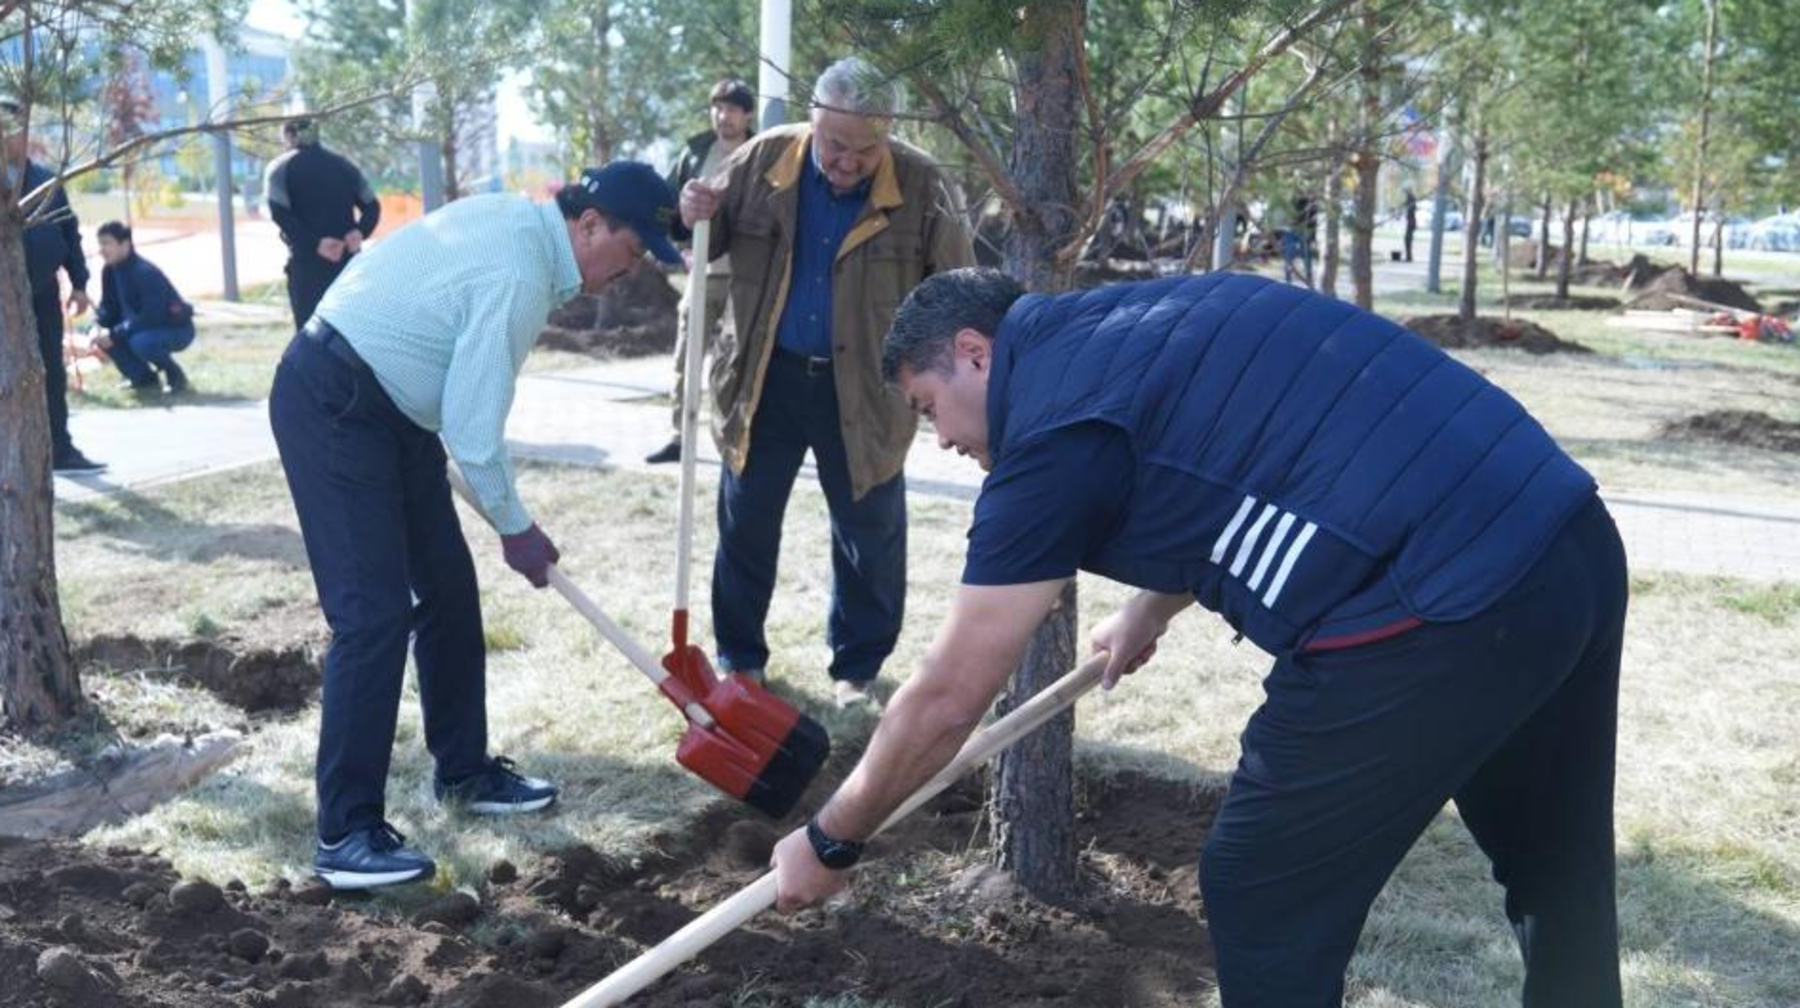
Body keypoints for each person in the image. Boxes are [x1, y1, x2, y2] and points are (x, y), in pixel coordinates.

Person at [771, 268, 1628, 1008]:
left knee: (1263, 884)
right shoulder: (1136, 319)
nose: (944, 440)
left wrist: (833, 838)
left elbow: (951, 695)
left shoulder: (1048, 440)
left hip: (1440, 604)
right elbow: (1242, 447)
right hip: (1564, 536)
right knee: (1554, 862)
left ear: (975, 353)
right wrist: (1151, 607)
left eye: (929, 408)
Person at [269, 161, 682, 890]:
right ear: (589, 225)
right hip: (336, 402)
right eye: (631, 248)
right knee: (372, 615)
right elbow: (473, 427)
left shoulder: (524, 232)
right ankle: (346, 834)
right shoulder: (521, 271)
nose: (633, 268)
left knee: (449, 592)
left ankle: (464, 773)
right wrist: (516, 528)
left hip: (393, 412)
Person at [677, 57, 975, 708]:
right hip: (764, 379)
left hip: (866, 390)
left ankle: (856, 672)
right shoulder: (762, 159)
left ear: (888, 132)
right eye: (835, 143)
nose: (847, 161)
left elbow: (957, 290)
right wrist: (691, 207)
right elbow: (707, 231)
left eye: (866, 149)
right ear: (813, 120)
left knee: (870, 533)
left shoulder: (923, 183)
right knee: (746, 524)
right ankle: (741, 662)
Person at [646, 78, 756, 465]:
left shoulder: (762, 153)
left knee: (737, 364)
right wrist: (680, 249)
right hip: (702, 276)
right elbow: (667, 206)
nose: (723, 116)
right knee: (686, 357)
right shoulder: (694, 153)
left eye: (732, 109)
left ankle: (735, 440)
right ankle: (680, 436)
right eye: (717, 108)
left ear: (748, 115)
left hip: (745, 280)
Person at [2, 98, 104, 473]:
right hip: (3, 299)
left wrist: (79, 283)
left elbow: (69, 231)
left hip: (43, 293)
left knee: (49, 371)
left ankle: (59, 448)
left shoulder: (45, 181)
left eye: (16, 128)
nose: (10, 136)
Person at [264, 117, 381, 328]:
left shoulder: (280, 167)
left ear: (289, 136)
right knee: (349, 330)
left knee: (310, 332)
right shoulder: (344, 165)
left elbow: (279, 213)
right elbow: (372, 206)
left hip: (307, 265)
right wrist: (360, 232)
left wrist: (315, 244)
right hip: (347, 262)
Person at [91, 221, 196, 394]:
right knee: (101, 335)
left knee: (141, 342)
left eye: (107, 243)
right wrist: (98, 324)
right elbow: (109, 307)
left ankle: (176, 376)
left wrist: (115, 333)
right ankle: (143, 379)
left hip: (175, 328)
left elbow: (151, 316)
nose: (101, 250)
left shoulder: (145, 272)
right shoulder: (109, 271)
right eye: (100, 244)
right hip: (142, 327)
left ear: (125, 244)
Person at [1403, 187, 1419, 263]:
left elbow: (1413, 207)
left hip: (1411, 222)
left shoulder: (1411, 198)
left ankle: (1409, 257)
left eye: (1407, 191)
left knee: (1407, 239)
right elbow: (1405, 204)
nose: (1406, 193)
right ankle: (1408, 256)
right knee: (1407, 239)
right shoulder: (1410, 198)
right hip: (1410, 221)